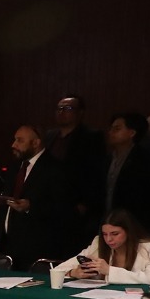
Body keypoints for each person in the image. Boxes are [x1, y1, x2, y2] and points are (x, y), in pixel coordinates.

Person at [2, 123, 72, 271]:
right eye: (15, 139)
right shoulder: (15, 166)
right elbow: (7, 202)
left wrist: (30, 207)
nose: (14, 145)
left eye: (20, 140)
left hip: (39, 245)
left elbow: (63, 207)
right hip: (11, 243)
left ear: (35, 143)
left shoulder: (55, 168)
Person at [47, 95, 108, 244]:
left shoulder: (92, 137)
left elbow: (96, 172)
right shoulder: (50, 136)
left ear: (80, 113)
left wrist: (85, 203)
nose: (61, 112)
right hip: (49, 201)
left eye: (67, 108)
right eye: (59, 108)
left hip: (75, 203)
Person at [54, 210, 150, 285]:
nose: (109, 239)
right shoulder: (98, 244)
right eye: (105, 234)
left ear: (129, 231)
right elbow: (57, 270)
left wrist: (109, 270)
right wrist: (73, 273)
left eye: (115, 234)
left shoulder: (148, 248)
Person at [100, 112, 150, 236]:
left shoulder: (145, 159)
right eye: (111, 129)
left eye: (117, 129)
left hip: (135, 221)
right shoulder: (106, 159)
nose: (110, 132)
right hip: (107, 219)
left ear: (132, 133)